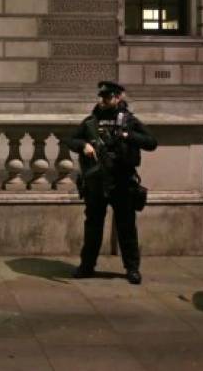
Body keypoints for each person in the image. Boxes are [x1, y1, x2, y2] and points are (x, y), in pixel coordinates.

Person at [67, 81, 157, 285]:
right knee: (93, 227)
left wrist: (126, 135)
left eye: (107, 97)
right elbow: (70, 140)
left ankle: (132, 269)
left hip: (122, 181)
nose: (103, 100)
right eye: (101, 96)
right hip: (96, 182)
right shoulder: (91, 121)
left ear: (119, 98)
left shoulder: (129, 121)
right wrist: (84, 145)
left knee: (126, 227)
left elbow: (152, 142)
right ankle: (87, 266)